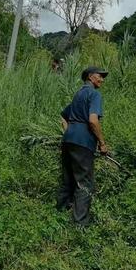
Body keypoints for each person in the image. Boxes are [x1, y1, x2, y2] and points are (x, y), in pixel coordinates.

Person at [57, 66, 109, 226]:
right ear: (91, 77)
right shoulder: (94, 94)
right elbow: (93, 121)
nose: (102, 80)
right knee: (85, 183)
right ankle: (80, 225)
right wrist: (102, 143)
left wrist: (69, 132)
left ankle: (59, 214)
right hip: (83, 142)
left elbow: (63, 116)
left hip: (68, 140)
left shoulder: (78, 94)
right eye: (100, 76)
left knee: (68, 179)